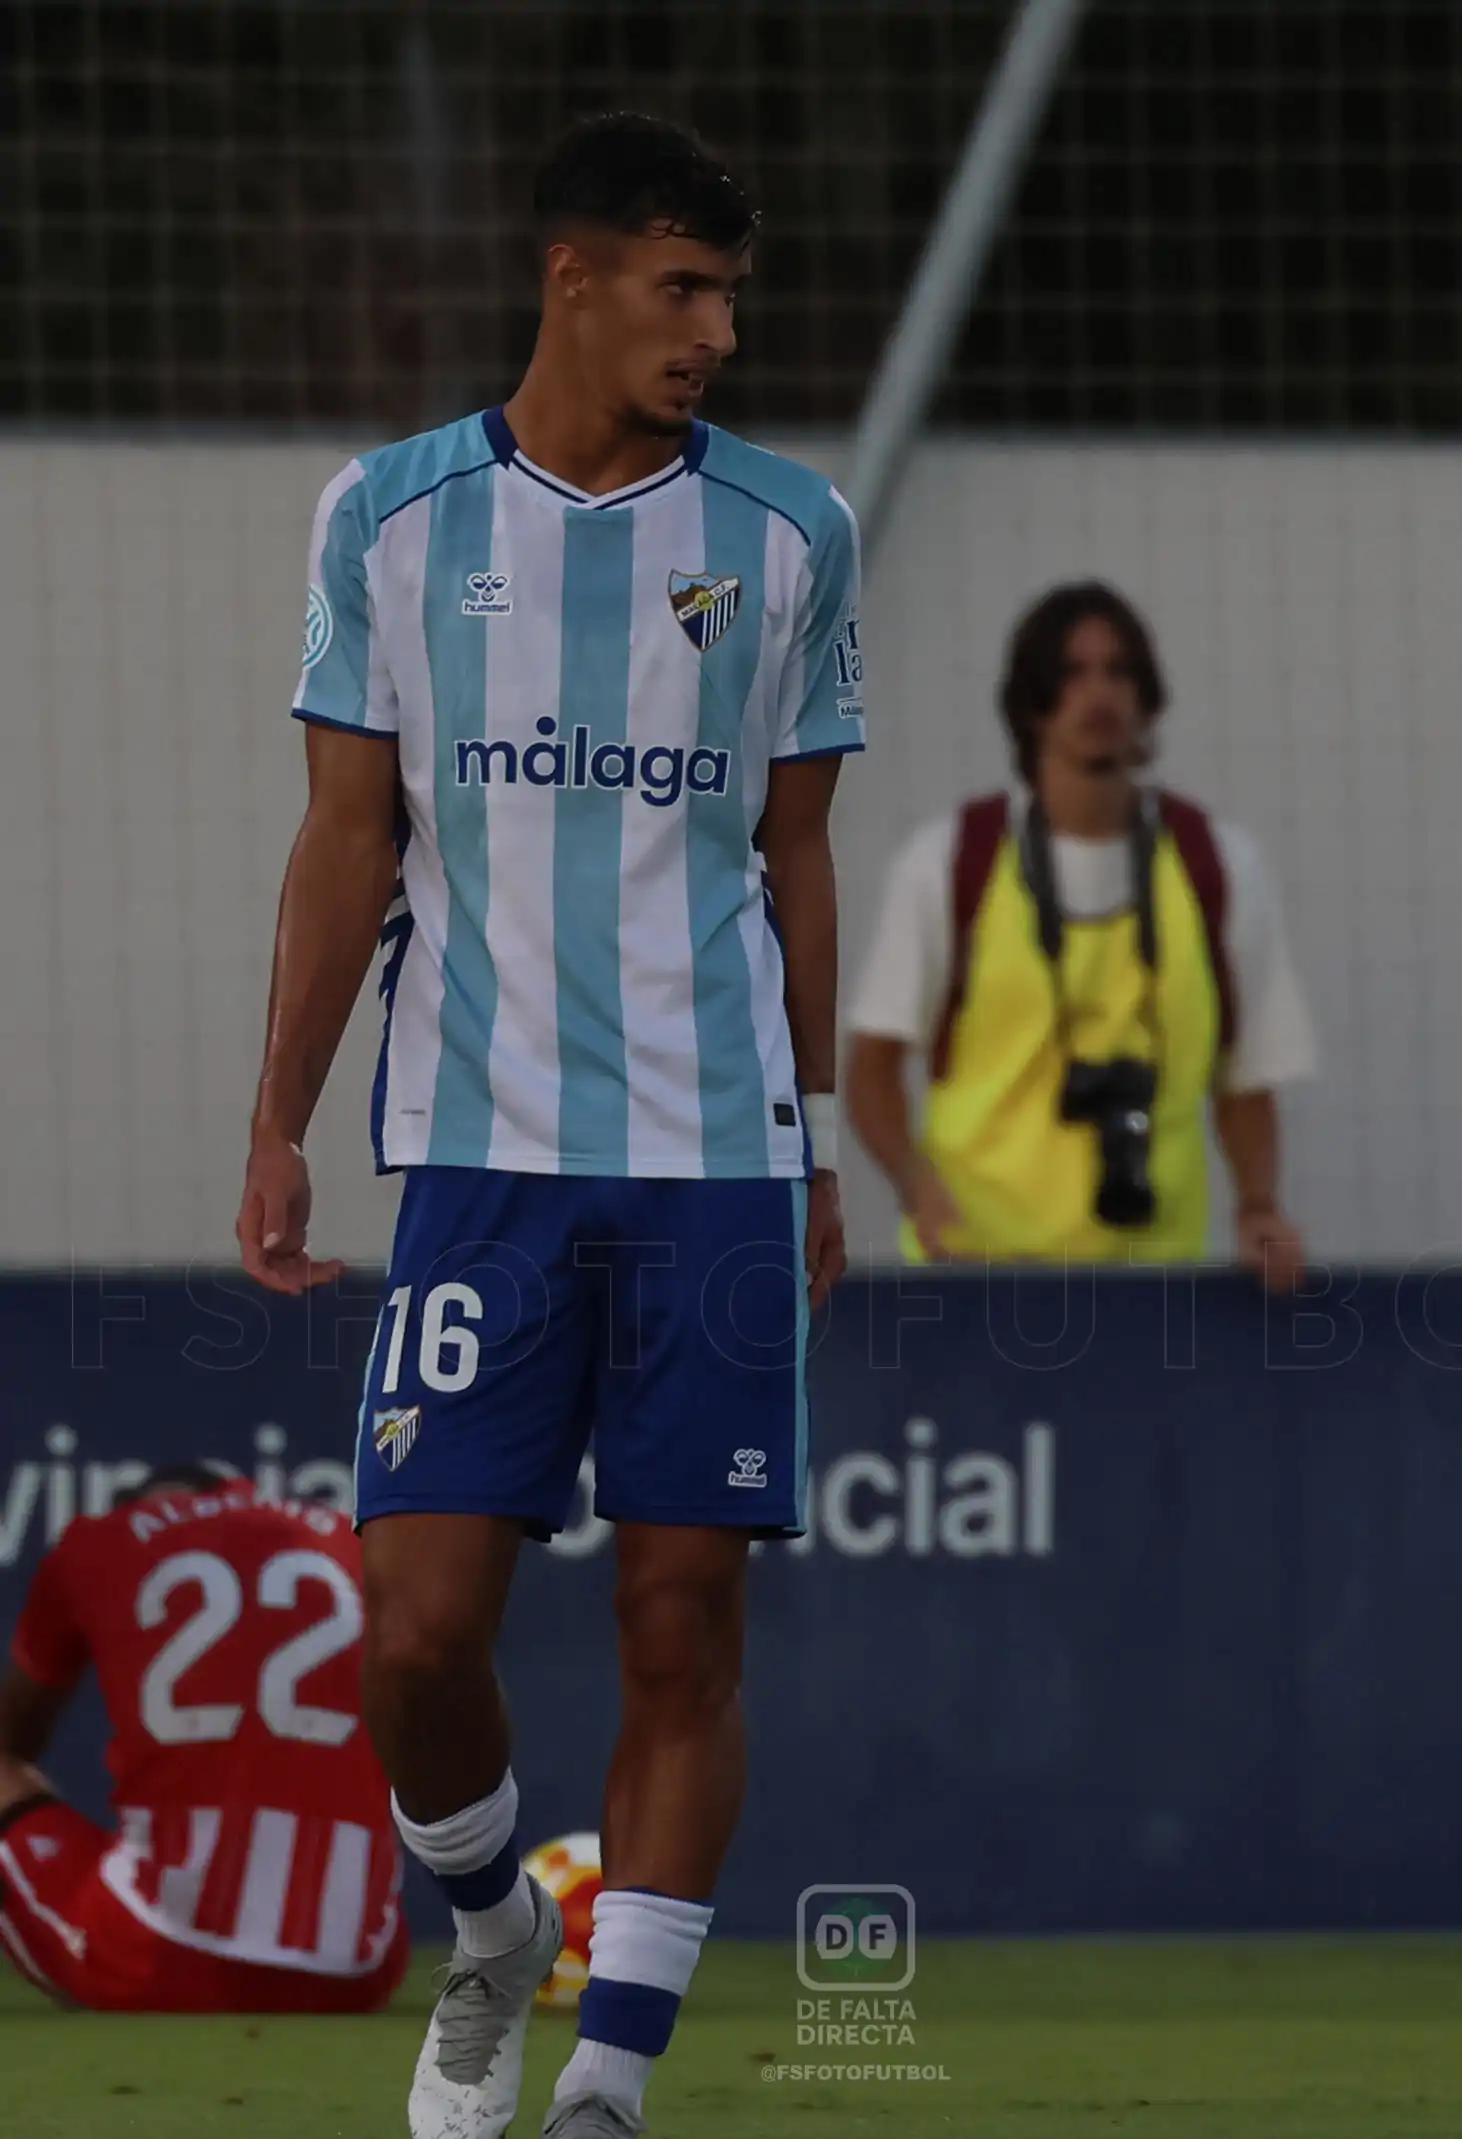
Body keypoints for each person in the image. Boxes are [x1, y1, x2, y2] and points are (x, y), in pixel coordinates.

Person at [235, 113, 861, 2139]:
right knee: (414, 1639)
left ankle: (604, 2082)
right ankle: (494, 1921)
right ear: (571, 277)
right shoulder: (394, 517)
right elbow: (343, 844)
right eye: (683, 285)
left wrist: (821, 1132)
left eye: (730, 291)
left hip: (716, 1158)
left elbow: (801, 860)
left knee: (683, 1614)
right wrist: (279, 1118)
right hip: (481, 1152)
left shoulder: (787, 534)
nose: (718, 330)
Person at [847, 581, 1312, 1279]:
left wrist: (1257, 1205)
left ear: (1146, 695)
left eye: (1119, 671)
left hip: (1155, 1287)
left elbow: (1245, 1078)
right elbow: (871, 1068)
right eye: (1070, 672)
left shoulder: (1215, 865)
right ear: (1030, 702)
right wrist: (918, 1190)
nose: (1098, 694)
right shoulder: (949, 863)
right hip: (976, 1283)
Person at [0, 1465, 407, 2013]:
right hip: (362, 1969)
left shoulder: (97, 1542)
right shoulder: (354, 1541)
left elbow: (13, 1738)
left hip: (156, 1956)